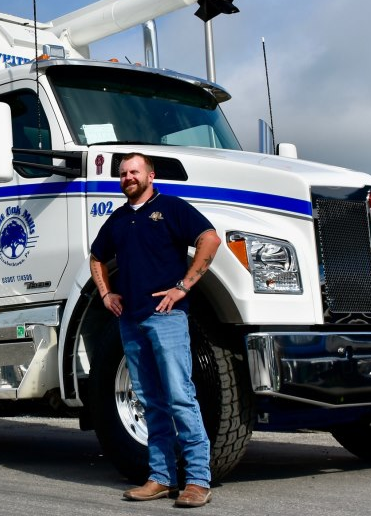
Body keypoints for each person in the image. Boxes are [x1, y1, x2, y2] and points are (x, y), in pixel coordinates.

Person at [90, 152, 220, 508]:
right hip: (130, 320)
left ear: (150, 175)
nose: (128, 177)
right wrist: (106, 293)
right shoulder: (117, 220)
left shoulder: (173, 208)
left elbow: (210, 239)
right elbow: (96, 256)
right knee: (149, 401)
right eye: (123, 173)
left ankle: (197, 480)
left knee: (179, 396)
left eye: (134, 171)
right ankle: (161, 478)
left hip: (167, 317)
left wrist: (184, 285)